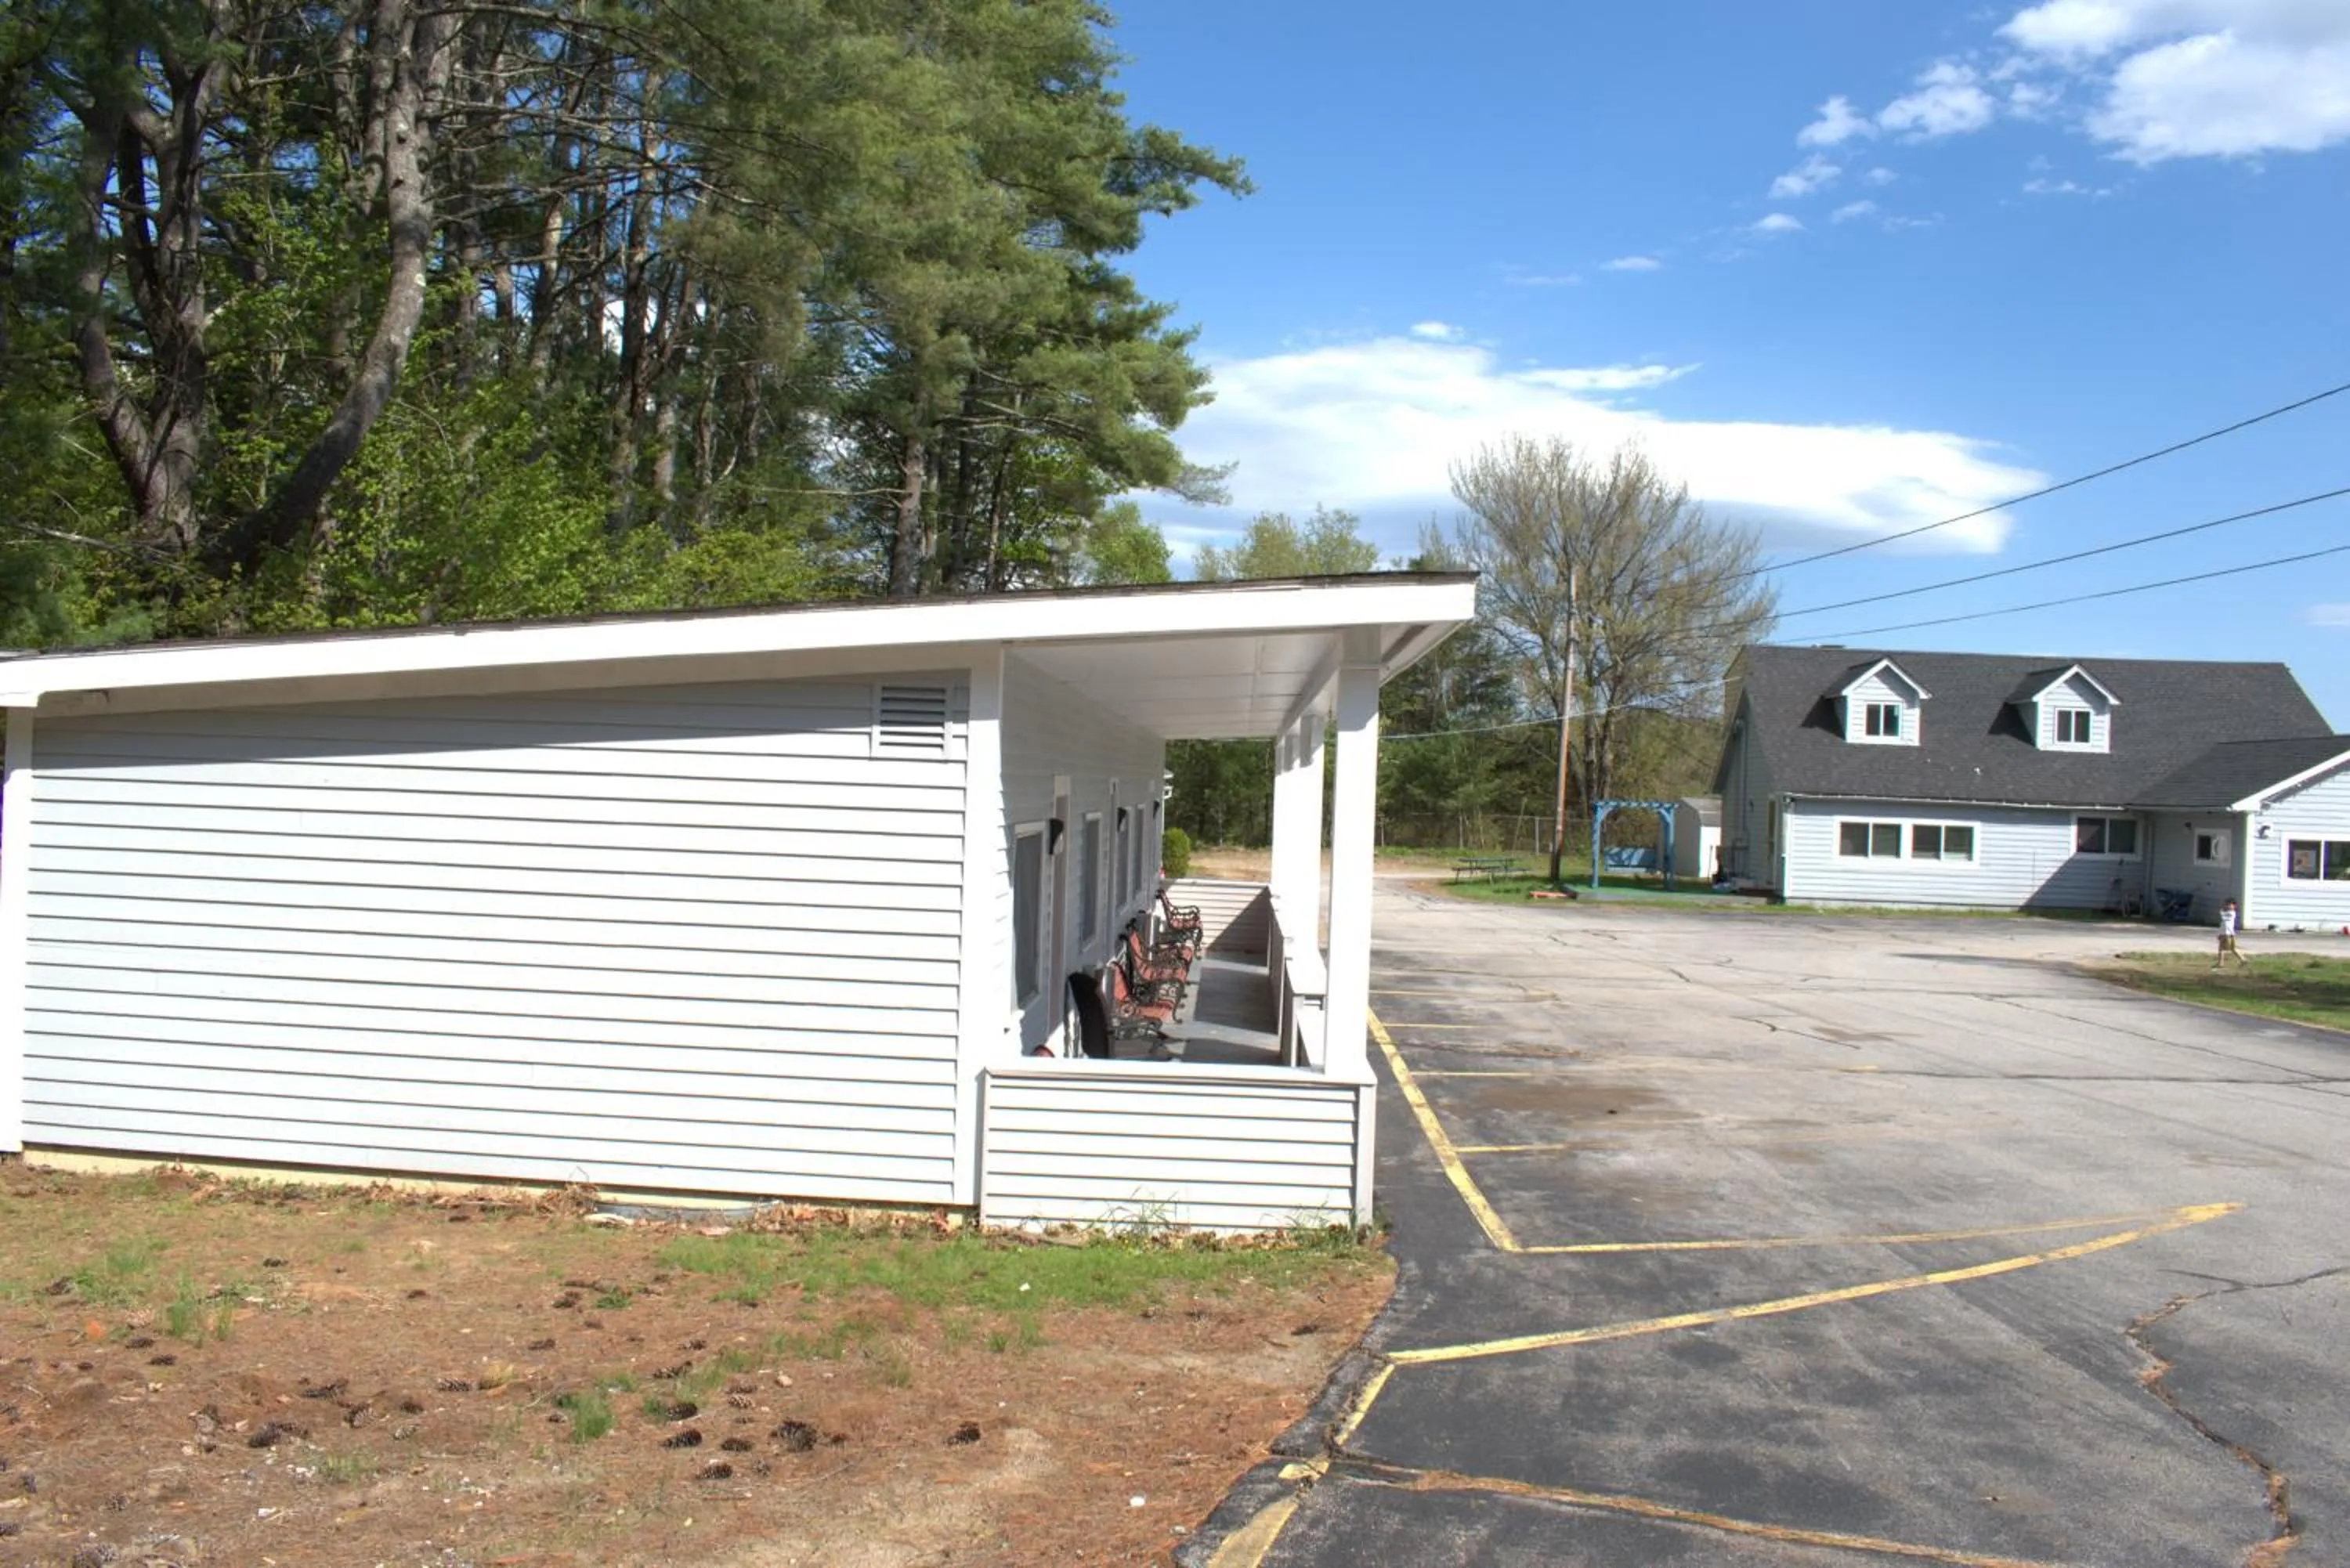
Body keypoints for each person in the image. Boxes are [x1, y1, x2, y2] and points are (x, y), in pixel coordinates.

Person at [2213, 897, 2249, 970]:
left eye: (2229, 905)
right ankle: (2243, 959)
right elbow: (2223, 925)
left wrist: (2222, 910)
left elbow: (2224, 917)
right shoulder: (2227, 913)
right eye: (2226, 904)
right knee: (2231, 949)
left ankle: (2221, 964)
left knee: (2222, 949)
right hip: (2226, 933)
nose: (2227, 906)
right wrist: (2219, 933)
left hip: (2227, 934)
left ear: (2234, 906)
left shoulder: (2231, 913)